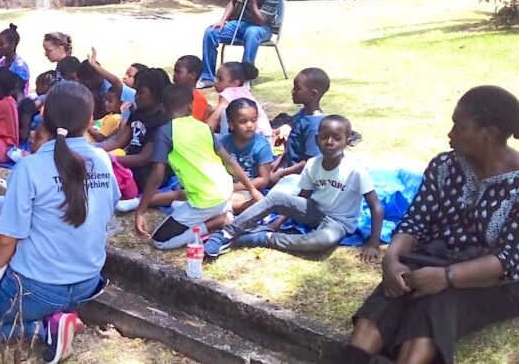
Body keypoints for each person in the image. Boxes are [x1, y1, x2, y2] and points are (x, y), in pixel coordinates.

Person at [343, 86, 519, 364]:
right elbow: (416, 220)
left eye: (460, 127)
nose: (450, 134)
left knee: (436, 302)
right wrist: (391, 260)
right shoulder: (445, 165)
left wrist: (446, 277)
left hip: (495, 280)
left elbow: (507, 259)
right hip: (431, 259)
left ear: (490, 132)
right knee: (391, 296)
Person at [0, 81, 118, 364]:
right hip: (88, 283)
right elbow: (109, 210)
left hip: (37, 288)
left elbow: (6, 241)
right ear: (90, 120)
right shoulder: (102, 159)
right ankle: (62, 317)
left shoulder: (29, 167)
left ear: (44, 115)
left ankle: (46, 328)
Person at [204, 115, 384, 259]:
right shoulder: (313, 164)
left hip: (339, 222)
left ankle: (265, 238)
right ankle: (226, 233)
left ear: (347, 141)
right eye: (324, 137)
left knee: (321, 242)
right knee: (276, 198)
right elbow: (301, 198)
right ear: (316, 139)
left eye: (337, 138)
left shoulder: (355, 170)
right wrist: (276, 223)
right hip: (314, 210)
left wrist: (373, 243)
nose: (329, 142)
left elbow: (376, 206)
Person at [135, 85, 263, 250]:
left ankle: (217, 221)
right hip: (224, 190)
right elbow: (229, 162)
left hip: (204, 200)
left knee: (160, 241)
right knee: (179, 205)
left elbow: (157, 175)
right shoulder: (204, 127)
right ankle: (219, 211)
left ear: (163, 108)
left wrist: (140, 210)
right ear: (190, 106)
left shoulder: (165, 132)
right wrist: (252, 189)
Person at [198, 0, 283, 89]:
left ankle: (245, 79)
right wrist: (222, 20)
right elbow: (233, 2)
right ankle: (208, 77)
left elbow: (260, 20)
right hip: (240, 23)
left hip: (262, 27)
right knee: (211, 32)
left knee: (252, 32)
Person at [95, 68, 172, 189]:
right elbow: (118, 141)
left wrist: (110, 159)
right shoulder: (137, 113)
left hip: (147, 172)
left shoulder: (162, 121)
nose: (136, 96)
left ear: (157, 93)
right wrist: (93, 149)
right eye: (136, 91)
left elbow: (143, 158)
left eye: (141, 92)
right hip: (129, 164)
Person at [269, 68, 328, 189]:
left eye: (297, 88)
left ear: (313, 94)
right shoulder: (301, 115)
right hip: (287, 167)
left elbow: (310, 162)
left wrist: (281, 174)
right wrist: (276, 163)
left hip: (301, 178)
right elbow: (291, 145)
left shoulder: (314, 126)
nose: (293, 91)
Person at [219, 98, 275, 213]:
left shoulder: (261, 145)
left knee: (227, 200)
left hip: (249, 190)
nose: (250, 125)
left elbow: (263, 179)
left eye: (253, 120)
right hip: (224, 186)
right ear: (231, 123)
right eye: (243, 121)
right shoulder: (223, 143)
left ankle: (244, 206)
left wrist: (234, 188)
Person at [206, 61, 273, 138]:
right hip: (266, 136)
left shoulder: (228, 92)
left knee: (223, 113)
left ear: (235, 83)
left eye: (220, 79)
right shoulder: (244, 91)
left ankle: (225, 143)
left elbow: (215, 118)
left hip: (253, 137)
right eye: (216, 78)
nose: (215, 82)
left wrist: (202, 135)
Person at [87, 48, 143, 116]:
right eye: (126, 74)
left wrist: (95, 65)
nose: (125, 77)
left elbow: (116, 81)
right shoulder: (118, 93)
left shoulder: (132, 94)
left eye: (130, 75)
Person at [172, 55, 210, 122]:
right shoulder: (175, 94)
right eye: (174, 72)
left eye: (178, 72)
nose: (174, 75)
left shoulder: (198, 100)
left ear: (192, 75)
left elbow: (192, 124)